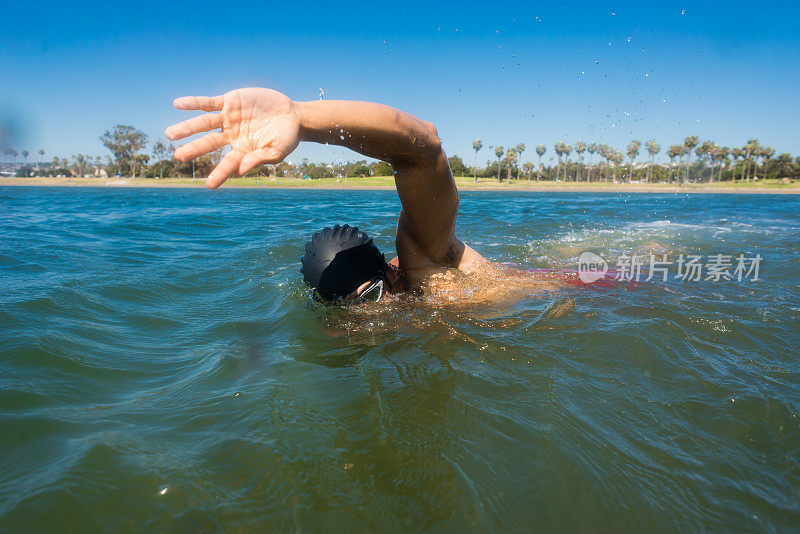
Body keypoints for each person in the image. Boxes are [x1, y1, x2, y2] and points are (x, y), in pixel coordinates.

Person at [165, 87, 569, 304]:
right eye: (355, 308)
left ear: (389, 273)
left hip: (592, 289)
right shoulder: (348, 324)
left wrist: (303, 119)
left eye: (375, 295)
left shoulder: (423, 263)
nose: (373, 314)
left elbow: (423, 148)